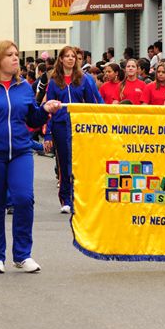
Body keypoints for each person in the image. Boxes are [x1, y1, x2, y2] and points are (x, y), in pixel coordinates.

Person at [0, 40, 61, 273]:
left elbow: (32, 119)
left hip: (20, 151)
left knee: (24, 199)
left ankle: (23, 255)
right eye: (10, 54)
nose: (16, 58)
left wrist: (45, 110)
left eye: (16, 54)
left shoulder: (24, 86)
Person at [44, 45, 104, 214]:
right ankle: (66, 199)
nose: (71, 59)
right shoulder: (54, 81)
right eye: (67, 56)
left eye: (73, 56)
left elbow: (92, 104)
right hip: (60, 126)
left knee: (80, 163)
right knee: (64, 163)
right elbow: (49, 109)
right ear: (61, 59)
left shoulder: (83, 79)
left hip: (80, 126)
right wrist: (48, 134)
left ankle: (79, 197)